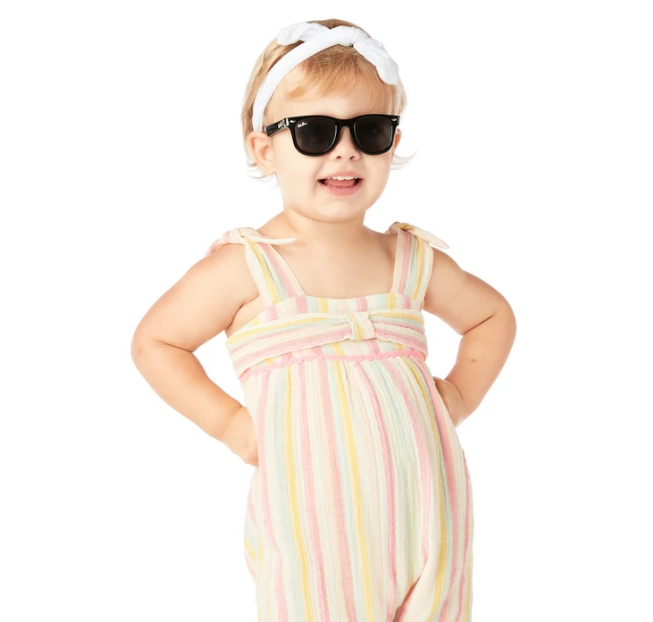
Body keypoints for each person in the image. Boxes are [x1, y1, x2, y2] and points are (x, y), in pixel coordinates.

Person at [131, 18, 517, 621]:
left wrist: (459, 396)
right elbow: (156, 342)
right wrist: (232, 425)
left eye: (370, 131)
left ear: (392, 141)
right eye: (315, 132)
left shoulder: (409, 259)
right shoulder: (248, 266)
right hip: (313, 527)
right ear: (264, 149)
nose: (345, 150)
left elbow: (492, 315)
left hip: (430, 514)